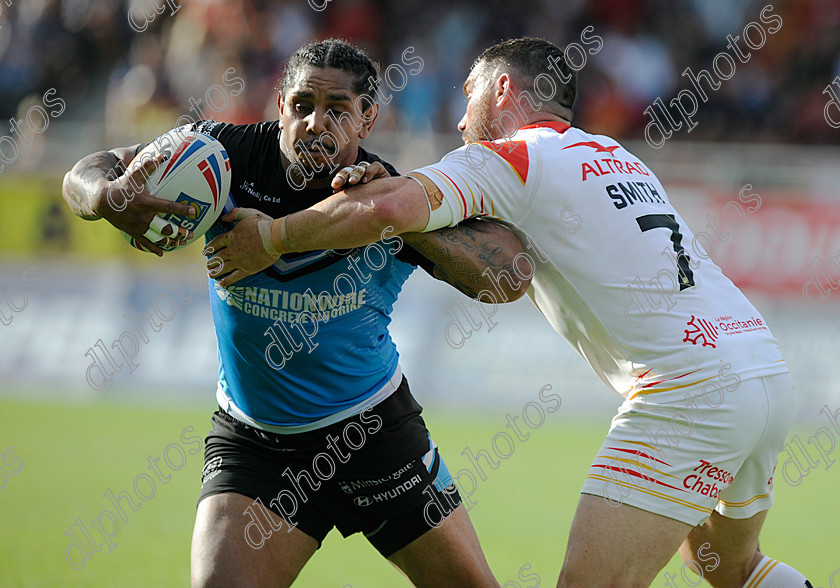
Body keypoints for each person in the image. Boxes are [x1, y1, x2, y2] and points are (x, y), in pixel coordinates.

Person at [209, 38, 814, 588]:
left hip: (687, 393)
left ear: (503, 91)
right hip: (761, 368)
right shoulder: (614, 155)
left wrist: (272, 238)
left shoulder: (515, 157)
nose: (460, 119)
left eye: (468, 96)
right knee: (730, 566)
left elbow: (390, 207)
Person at [61, 38, 533, 587]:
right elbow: (90, 170)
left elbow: (508, 277)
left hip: (374, 434)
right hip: (255, 443)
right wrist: (105, 198)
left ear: (367, 118)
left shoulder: (387, 195)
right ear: (280, 105)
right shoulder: (220, 156)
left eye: (338, 110)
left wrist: (396, 218)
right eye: (303, 105)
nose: (315, 123)